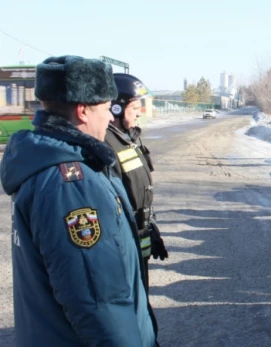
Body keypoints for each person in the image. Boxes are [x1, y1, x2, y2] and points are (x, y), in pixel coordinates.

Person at [0, 56, 156, 346]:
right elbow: (98, 302)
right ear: (83, 111)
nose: (111, 117)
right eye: (106, 108)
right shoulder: (71, 185)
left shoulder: (55, 163)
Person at [105, 73, 169, 293]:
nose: (140, 113)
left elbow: (136, 190)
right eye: (134, 108)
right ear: (115, 109)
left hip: (139, 236)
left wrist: (149, 227)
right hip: (123, 246)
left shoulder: (127, 140)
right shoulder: (106, 145)